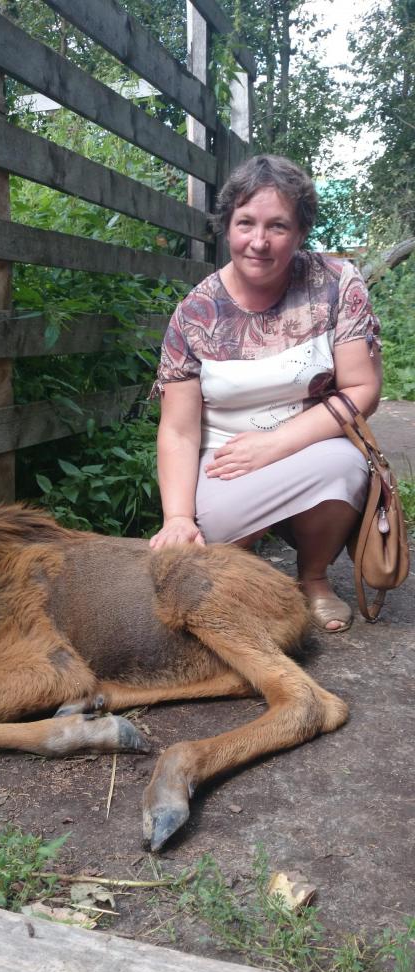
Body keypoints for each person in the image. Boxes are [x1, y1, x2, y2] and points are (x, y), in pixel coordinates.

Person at [149, 154, 382, 633]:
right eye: (245, 223)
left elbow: (363, 387)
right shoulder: (194, 312)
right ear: (226, 226)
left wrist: (274, 445)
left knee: (345, 466)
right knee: (201, 542)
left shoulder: (337, 284)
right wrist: (176, 517)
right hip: (224, 460)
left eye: (277, 226)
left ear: (300, 233)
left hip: (312, 445)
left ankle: (313, 578)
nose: (258, 241)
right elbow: (177, 429)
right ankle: (244, 577)